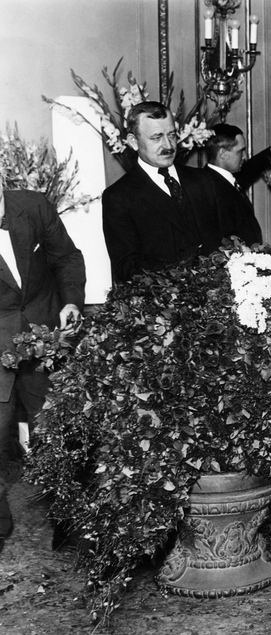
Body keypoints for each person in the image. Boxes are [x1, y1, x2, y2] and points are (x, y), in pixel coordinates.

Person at [0, 180, 86, 554]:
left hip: (44, 338)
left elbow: (66, 256)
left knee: (57, 432)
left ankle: (68, 522)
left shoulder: (33, 206)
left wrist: (71, 302)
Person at [102, 101, 226, 283]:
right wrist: (185, 275)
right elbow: (127, 267)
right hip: (161, 306)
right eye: (156, 137)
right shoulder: (119, 197)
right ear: (133, 142)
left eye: (172, 135)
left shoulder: (204, 181)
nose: (168, 145)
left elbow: (225, 239)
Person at [204, 123, 271, 245]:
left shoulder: (223, 179)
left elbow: (250, 168)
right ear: (222, 153)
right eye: (240, 151)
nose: (244, 157)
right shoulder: (207, 187)